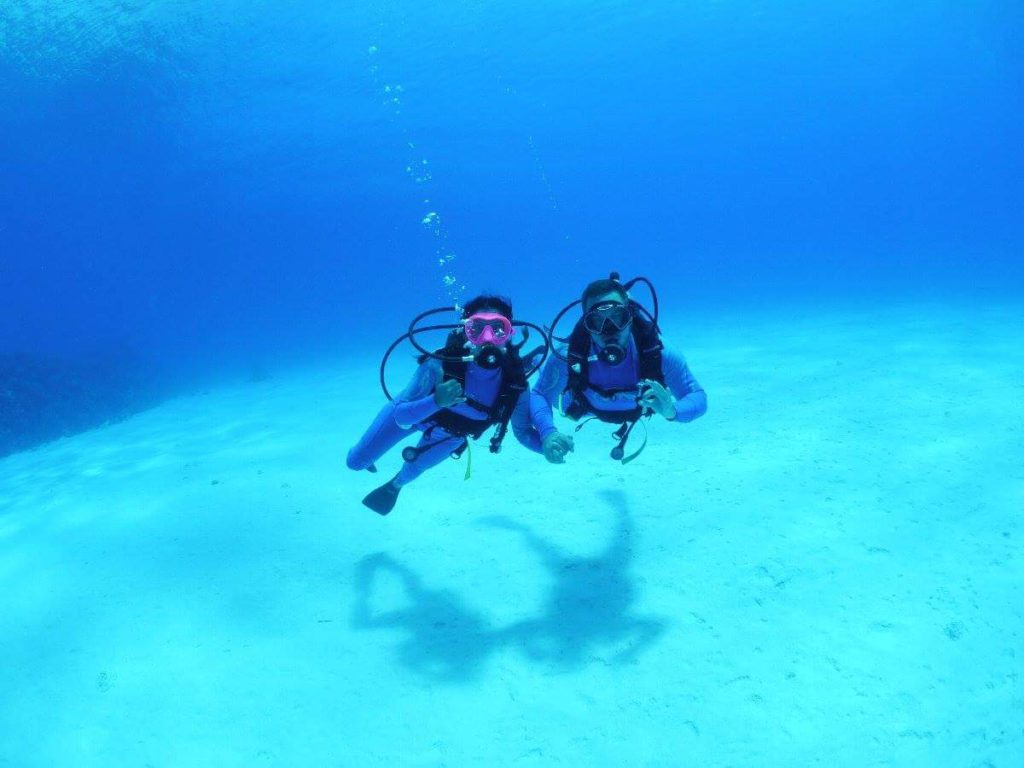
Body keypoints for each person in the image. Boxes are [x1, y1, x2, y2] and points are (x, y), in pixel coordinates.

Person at [348, 294, 545, 514]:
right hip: (413, 417)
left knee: (412, 471)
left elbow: (524, 432)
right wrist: (435, 401)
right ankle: (367, 457)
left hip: (452, 435)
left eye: (498, 329)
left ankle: (395, 485)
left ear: (510, 333)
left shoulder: (514, 383)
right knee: (355, 462)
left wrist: (547, 445)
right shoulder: (439, 365)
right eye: (477, 329)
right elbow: (401, 418)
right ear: (465, 331)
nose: (488, 338)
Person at [531, 275, 707, 464]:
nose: (609, 329)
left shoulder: (660, 353)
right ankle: (534, 360)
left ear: (630, 317)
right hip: (580, 406)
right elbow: (539, 394)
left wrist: (673, 411)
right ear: (586, 325)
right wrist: (548, 433)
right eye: (597, 321)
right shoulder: (566, 357)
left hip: (632, 408)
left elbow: (698, 396)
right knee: (549, 378)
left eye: (618, 317)